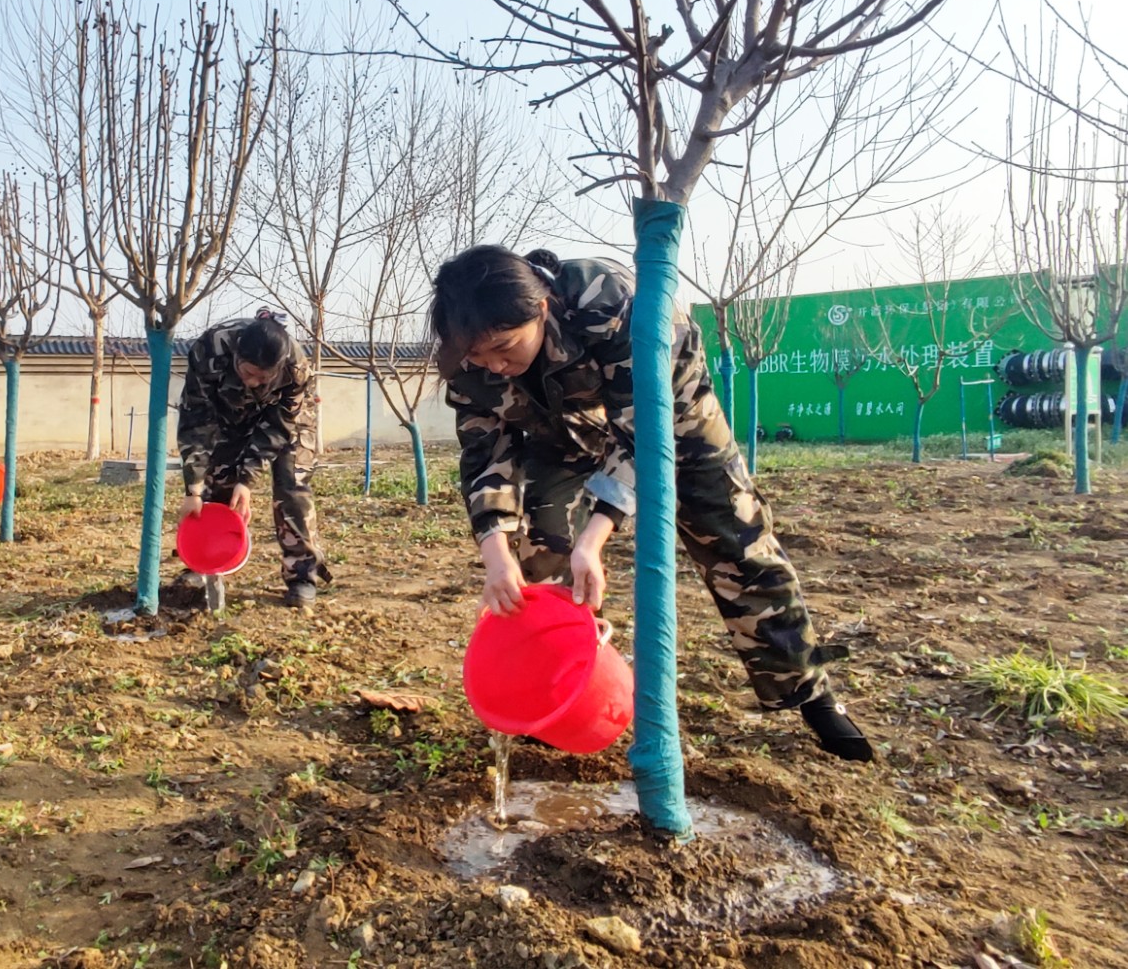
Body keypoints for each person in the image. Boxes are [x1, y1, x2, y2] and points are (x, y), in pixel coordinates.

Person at [430, 245, 873, 762]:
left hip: (672, 418)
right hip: (562, 431)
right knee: (538, 541)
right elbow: (486, 454)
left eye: (505, 348)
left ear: (543, 307)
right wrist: (495, 555)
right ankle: (561, 694)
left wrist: (595, 538)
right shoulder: (468, 360)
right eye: (480, 357)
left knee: (736, 541)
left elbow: (644, 431)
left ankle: (810, 693)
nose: (495, 366)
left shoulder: (613, 302)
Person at [177, 310, 330, 607]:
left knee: (292, 487)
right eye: (247, 373)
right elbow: (196, 419)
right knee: (217, 480)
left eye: (264, 378)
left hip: (287, 422)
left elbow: (279, 425)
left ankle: (301, 575)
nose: (253, 383)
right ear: (236, 355)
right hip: (228, 415)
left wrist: (247, 480)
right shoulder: (210, 349)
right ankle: (206, 564)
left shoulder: (296, 368)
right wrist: (192, 488)